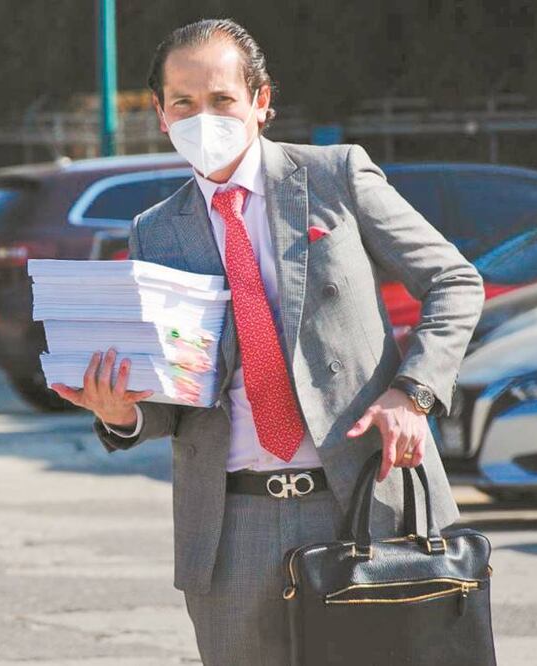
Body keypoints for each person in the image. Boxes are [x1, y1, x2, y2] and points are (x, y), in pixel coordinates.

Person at [52, 18, 485, 665]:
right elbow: (180, 388)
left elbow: (453, 280)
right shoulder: (155, 230)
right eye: (184, 103)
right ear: (160, 115)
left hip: (365, 502)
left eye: (222, 99)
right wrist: (123, 414)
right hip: (230, 528)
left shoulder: (334, 176)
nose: (204, 117)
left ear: (259, 100)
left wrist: (411, 393)